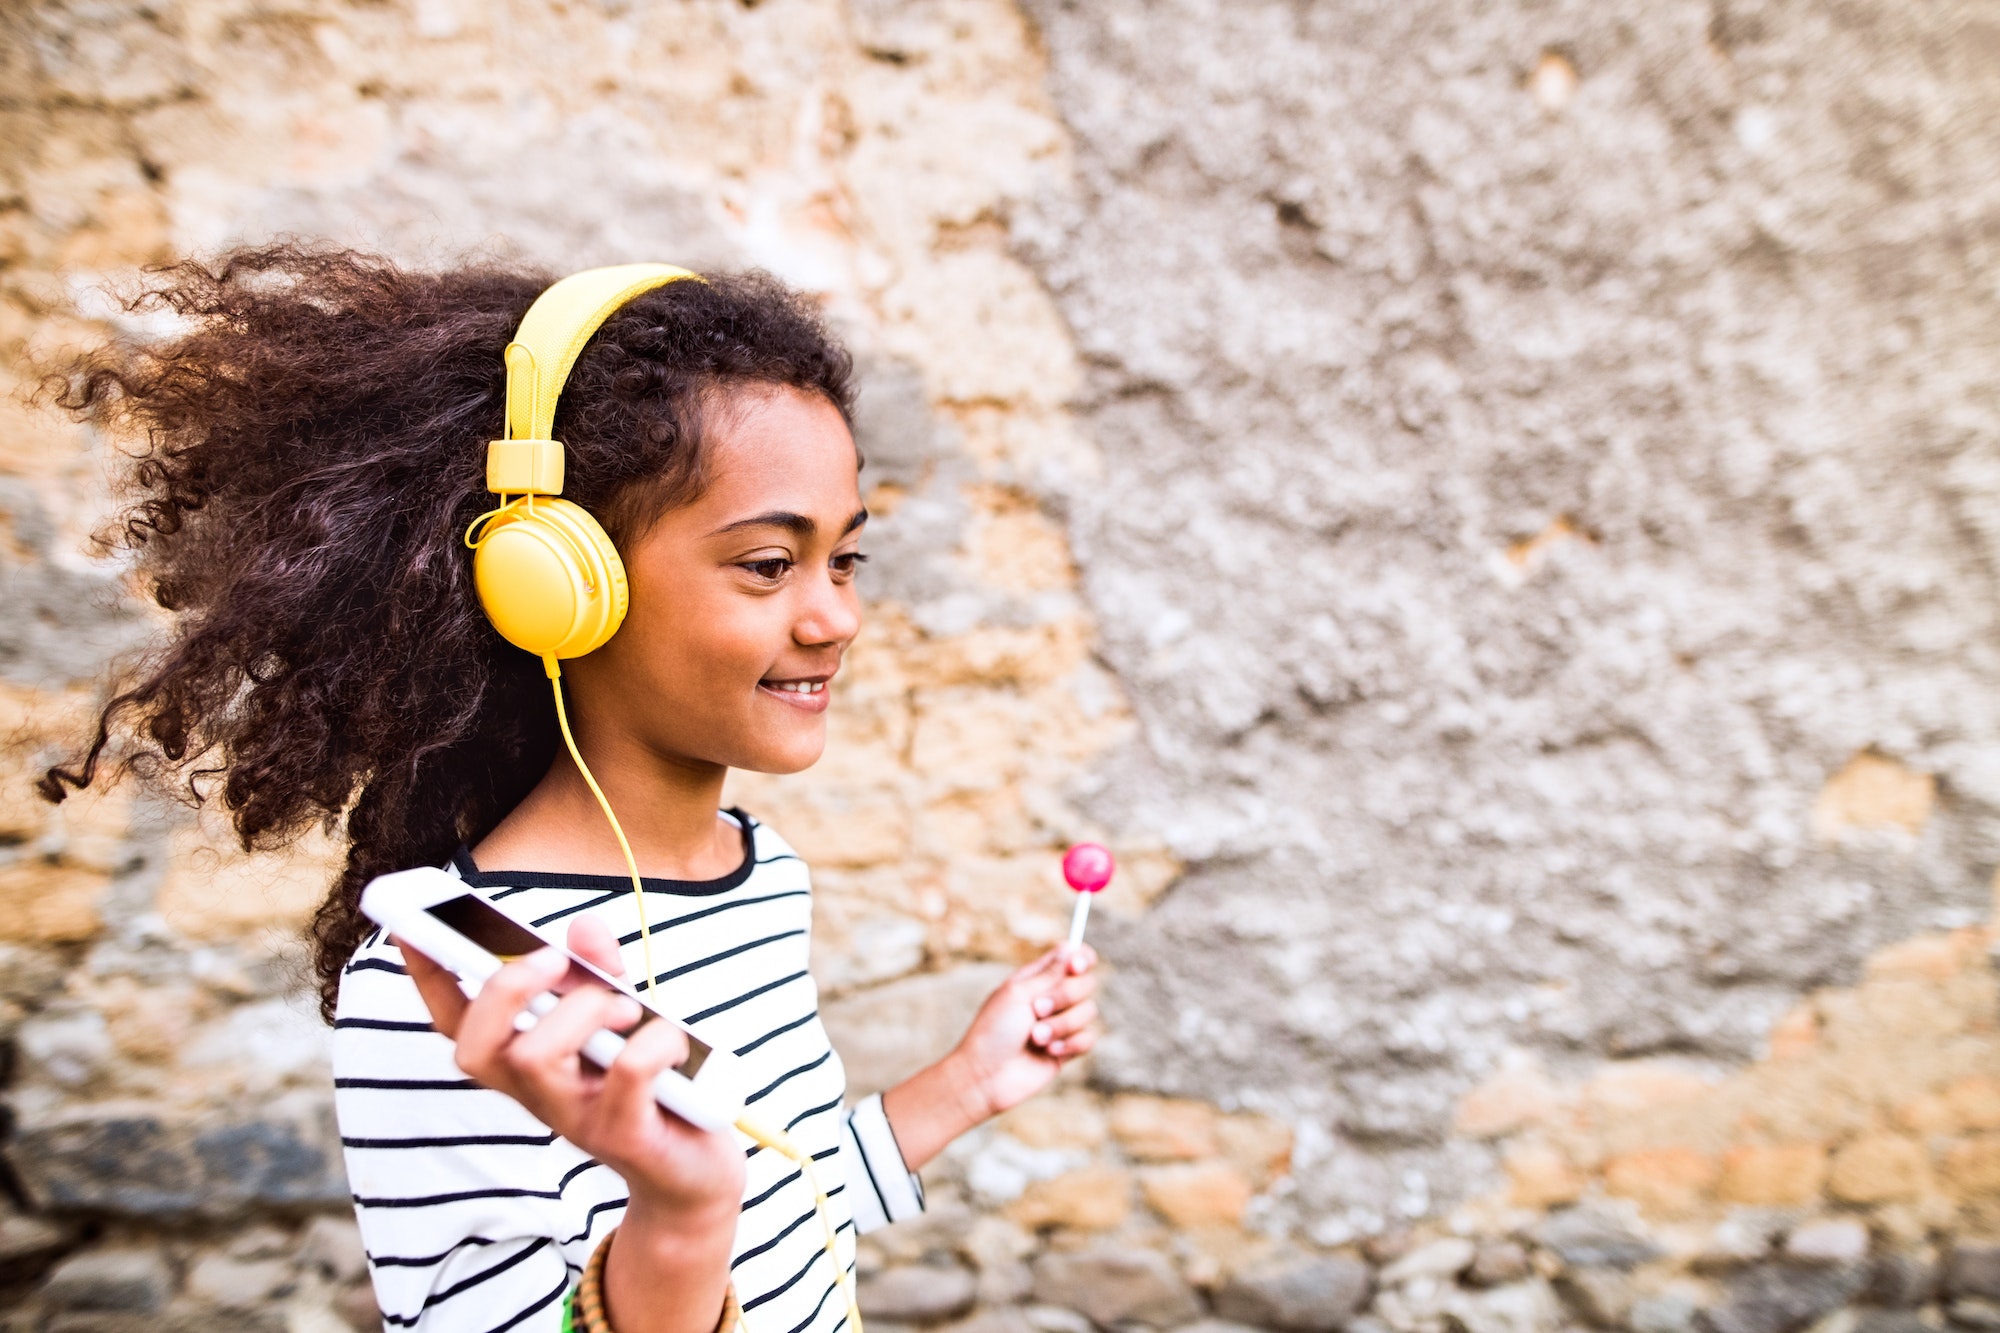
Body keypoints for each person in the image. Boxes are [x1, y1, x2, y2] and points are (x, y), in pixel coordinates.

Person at [40, 247, 1100, 1333]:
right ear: (554, 588)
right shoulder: (441, 991)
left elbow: (793, 1215)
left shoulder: (755, 872)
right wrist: (676, 1221)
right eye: (768, 565)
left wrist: (968, 1082)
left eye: (845, 560)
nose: (835, 618)